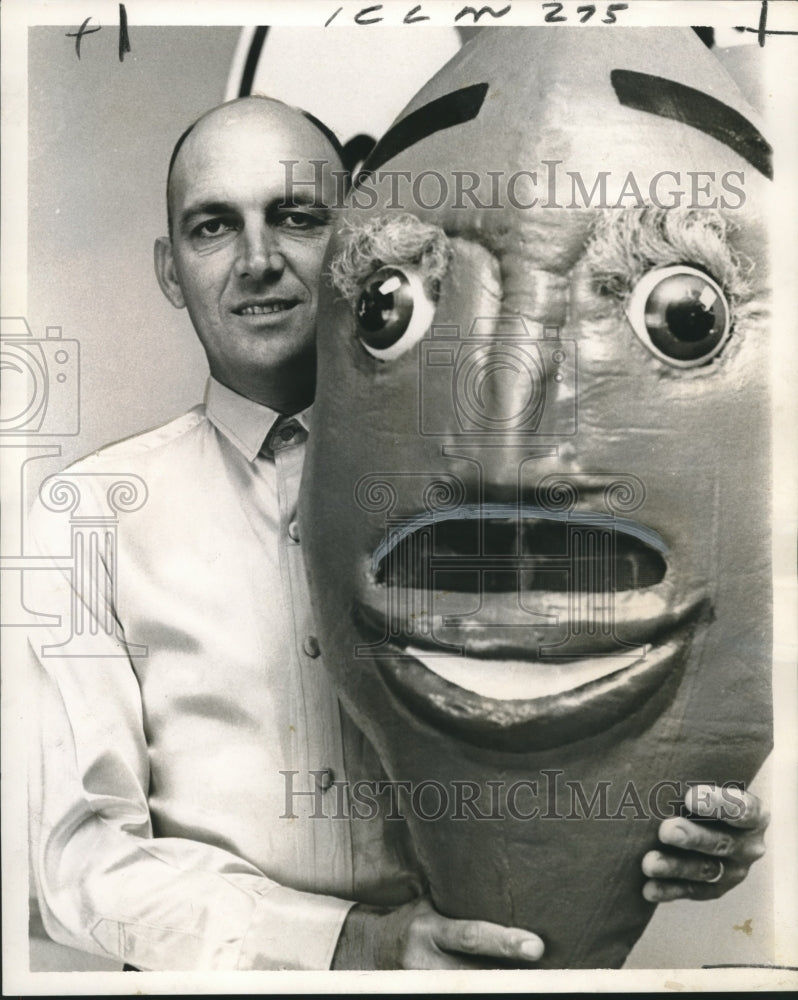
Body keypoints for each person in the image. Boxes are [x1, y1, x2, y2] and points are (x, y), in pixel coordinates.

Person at [26, 96, 768, 973]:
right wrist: (348, 947)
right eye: (214, 227)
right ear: (168, 267)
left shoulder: (506, 474)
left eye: (298, 217)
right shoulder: (87, 516)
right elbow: (75, 857)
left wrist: (681, 824)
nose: (258, 260)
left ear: (356, 244)